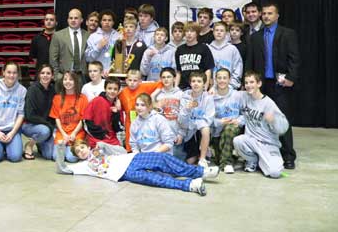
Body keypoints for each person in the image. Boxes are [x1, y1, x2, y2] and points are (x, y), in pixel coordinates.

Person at [56, 140, 220, 196]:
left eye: (82, 148)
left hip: (131, 158)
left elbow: (121, 150)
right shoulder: (82, 166)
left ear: (87, 146)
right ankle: (190, 185)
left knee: (162, 159)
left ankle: (200, 172)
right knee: (155, 180)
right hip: (125, 174)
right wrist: (60, 148)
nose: (82, 152)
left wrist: (104, 145)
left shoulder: (99, 149)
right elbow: (62, 169)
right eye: (78, 151)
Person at [245, 2, 300, 170]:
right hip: (261, 86)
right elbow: (250, 62)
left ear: (277, 16)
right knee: (258, 119)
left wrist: (291, 77)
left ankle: (288, 155)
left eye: (270, 13)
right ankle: (260, 153)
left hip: (280, 84)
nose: (266, 16)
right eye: (264, 13)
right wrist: (247, 83)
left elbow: (295, 58)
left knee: (281, 119)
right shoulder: (255, 37)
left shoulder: (287, 34)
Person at [233, 71, 289, 178]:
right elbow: (228, 93)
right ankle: (253, 160)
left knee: (275, 173)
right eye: (246, 83)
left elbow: (284, 127)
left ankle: (264, 161)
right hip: (251, 140)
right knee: (238, 141)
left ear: (259, 84)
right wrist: (213, 90)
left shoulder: (269, 104)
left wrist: (273, 120)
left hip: (268, 144)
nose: (249, 85)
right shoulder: (244, 96)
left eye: (252, 82)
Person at [49, 71, 88, 162]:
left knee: (71, 158)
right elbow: (57, 118)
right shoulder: (57, 98)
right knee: (56, 157)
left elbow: (82, 119)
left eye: (71, 79)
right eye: (65, 79)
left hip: (77, 133)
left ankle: (69, 148)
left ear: (75, 82)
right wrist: (63, 134)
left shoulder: (83, 98)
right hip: (62, 133)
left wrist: (74, 133)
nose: (67, 82)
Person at [179, 72, 215, 168]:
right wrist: (187, 109)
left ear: (204, 84)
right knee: (190, 161)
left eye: (199, 81)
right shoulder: (184, 96)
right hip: (188, 130)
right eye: (193, 81)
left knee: (206, 128)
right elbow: (181, 121)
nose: (196, 83)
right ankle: (200, 153)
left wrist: (196, 124)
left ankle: (202, 158)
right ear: (190, 83)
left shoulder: (208, 98)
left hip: (201, 129)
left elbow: (209, 118)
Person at [118, 69, 161, 151]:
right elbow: (120, 106)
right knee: (131, 145)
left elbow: (160, 84)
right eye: (130, 80)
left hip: (145, 121)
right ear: (126, 80)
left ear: (140, 81)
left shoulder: (145, 87)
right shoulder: (123, 92)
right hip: (130, 122)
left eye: (135, 80)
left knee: (146, 141)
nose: (132, 82)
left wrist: (153, 96)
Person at [211, 68, 244, 173]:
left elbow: (245, 114)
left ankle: (227, 163)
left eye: (225, 78)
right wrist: (220, 122)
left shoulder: (237, 95)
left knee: (229, 129)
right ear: (215, 79)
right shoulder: (211, 97)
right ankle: (228, 158)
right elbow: (207, 119)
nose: (222, 80)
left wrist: (238, 121)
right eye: (219, 78)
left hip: (234, 129)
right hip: (217, 132)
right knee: (217, 160)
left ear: (229, 80)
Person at [151, 67, 186, 160]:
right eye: (163, 77)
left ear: (174, 78)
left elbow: (185, 116)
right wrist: (153, 96)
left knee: (177, 164)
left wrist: (181, 134)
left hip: (176, 135)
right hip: (161, 136)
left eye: (169, 77)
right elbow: (152, 115)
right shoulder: (158, 95)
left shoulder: (180, 94)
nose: (166, 79)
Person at [50, 8, 90, 89]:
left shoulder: (88, 35)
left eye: (76, 18)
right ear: (67, 20)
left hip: (82, 78)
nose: (73, 20)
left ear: (81, 20)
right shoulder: (58, 35)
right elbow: (53, 59)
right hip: (64, 77)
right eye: (70, 18)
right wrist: (57, 76)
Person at [22, 64, 55, 160]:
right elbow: (29, 115)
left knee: (49, 155)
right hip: (29, 124)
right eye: (43, 73)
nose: (45, 75)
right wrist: (48, 125)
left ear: (52, 76)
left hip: (45, 125)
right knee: (45, 131)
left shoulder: (53, 90)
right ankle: (30, 144)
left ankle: (40, 142)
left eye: (48, 73)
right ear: (39, 75)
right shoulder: (32, 90)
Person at [83, 77, 124, 148]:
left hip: (111, 139)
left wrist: (116, 113)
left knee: (120, 153)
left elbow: (118, 128)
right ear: (105, 89)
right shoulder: (97, 100)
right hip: (96, 137)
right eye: (110, 88)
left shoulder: (117, 105)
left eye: (115, 89)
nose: (112, 91)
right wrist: (101, 134)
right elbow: (86, 120)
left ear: (118, 91)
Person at [175, 22, 214, 91]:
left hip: (199, 87)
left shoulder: (204, 48)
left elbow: (208, 69)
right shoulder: (179, 49)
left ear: (197, 33)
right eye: (187, 31)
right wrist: (175, 87)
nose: (189, 33)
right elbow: (178, 71)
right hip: (183, 87)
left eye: (192, 31)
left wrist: (205, 86)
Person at [209, 21, 243, 90]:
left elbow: (238, 69)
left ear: (226, 33)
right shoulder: (208, 49)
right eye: (216, 30)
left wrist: (231, 86)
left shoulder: (232, 49)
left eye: (222, 31)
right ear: (213, 32)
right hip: (211, 89)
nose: (219, 32)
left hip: (230, 88)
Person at [85, 10, 121, 75]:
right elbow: (88, 58)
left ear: (113, 22)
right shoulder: (93, 37)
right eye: (104, 20)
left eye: (109, 20)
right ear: (100, 22)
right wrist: (98, 47)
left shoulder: (119, 36)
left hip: (114, 73)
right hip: (97, 74)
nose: (107, 22)